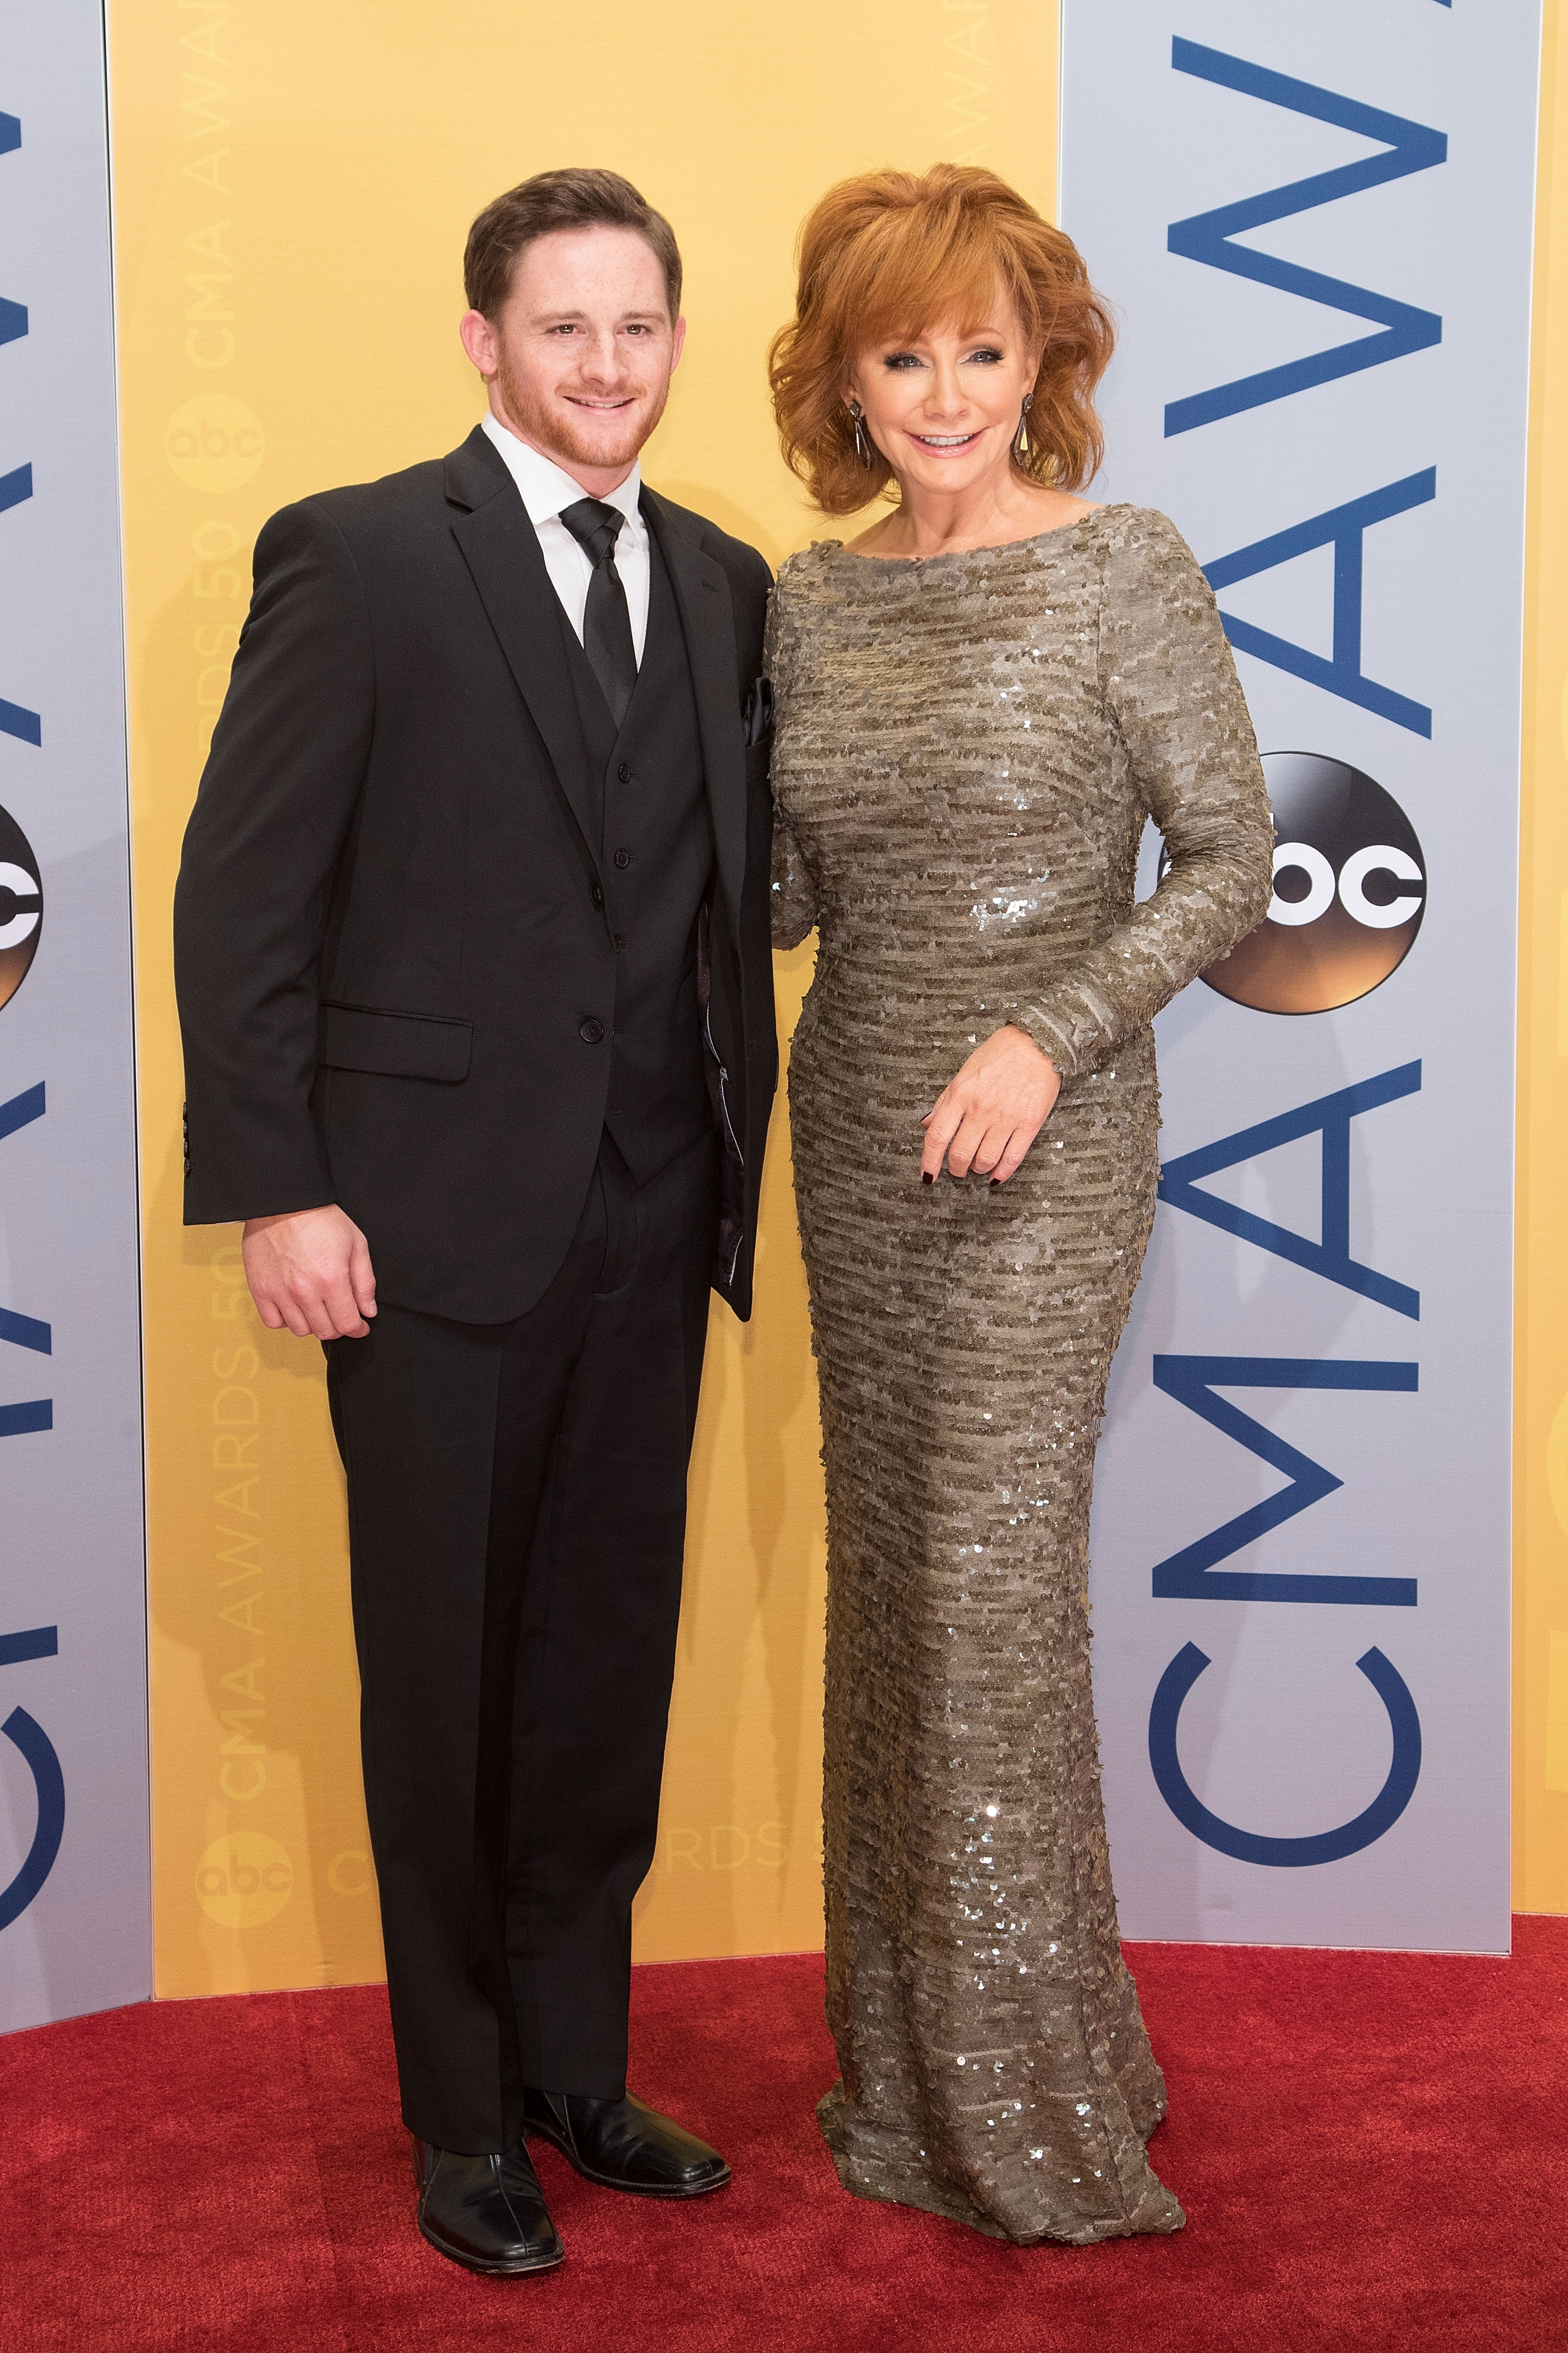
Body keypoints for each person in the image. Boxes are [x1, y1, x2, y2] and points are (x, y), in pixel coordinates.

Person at [173, 168, 777, 2278]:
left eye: (639, 328)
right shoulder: (356, 558)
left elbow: (707, 894)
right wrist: (278, 1184)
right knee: (444, 1677)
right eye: (565, 328)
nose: (606, 366)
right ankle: (457, 2126)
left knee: (600, 1671)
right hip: (417, 1228)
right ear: (483, 342)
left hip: (651, 1216)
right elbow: (243, 897)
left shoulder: (721, 581)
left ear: (674, 343)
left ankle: (577, 2070)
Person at [764, 164, 1273, 2245]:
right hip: (855, 1140)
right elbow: (793, 888)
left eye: (988, 346)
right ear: (847, 375)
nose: (949, 390)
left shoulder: (1124, 568)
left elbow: (1233, 863)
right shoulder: (805, 595)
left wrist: (1048, 1032)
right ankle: (919, 2066)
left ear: (1044, 357)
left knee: (981, 1591)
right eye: (906, 352)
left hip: (1045, 1146)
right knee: (902, 1596)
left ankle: (1022, 2101)